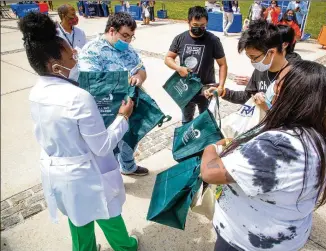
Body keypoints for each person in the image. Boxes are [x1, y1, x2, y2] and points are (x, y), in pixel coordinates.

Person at [20, 12, 138, 251]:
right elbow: (102, 146)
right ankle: (125, 247)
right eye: (71, 55)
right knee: (107, 211)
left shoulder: (36, 92)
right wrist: (122, 117)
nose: (76, 56)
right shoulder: (77, 97)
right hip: (88, 172)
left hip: (59, 172)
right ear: (56, 67)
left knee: (78, 219)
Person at [201, 59, 326, 251]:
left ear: (291, 95)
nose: (272, 87)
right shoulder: (319, 136)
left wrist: (211, 147)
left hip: (246, 242)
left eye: (278, 83)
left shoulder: (279, 146)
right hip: (282, 236)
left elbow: (210, 172)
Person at [78, 12, 149, 176]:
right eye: (125, 35)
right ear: (111, 30)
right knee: (110, 146)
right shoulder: (92, 51)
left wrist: (138, 76)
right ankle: (112, 174)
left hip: (129, 105)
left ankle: (128, 166)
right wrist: (123, 82)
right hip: (107, 110)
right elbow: (92, 85)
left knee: (130, 140)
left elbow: (141, 68)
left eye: (131, 37)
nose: (128, 41)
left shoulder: (128, 49)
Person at [205, 20, 288, 112]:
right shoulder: (260, 70)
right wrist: (223, 92)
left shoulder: (296, 77)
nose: (252, 62)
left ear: (271, 52)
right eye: (249, 57)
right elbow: (247, 96)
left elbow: (297, 120)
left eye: (254, 57)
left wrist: (267, 108)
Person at [165, 6, 227, 124]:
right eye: (195, 25)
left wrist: (221, 86)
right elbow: (168, 58)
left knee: (207, 122)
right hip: (186, 89)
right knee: (186, 121)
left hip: (207, 88)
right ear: (188, 22)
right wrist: (178, 68)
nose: (199, 28)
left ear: (207, 23)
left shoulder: (213, 40)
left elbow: (222, 64)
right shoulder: (180, 39)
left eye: (202, 26)